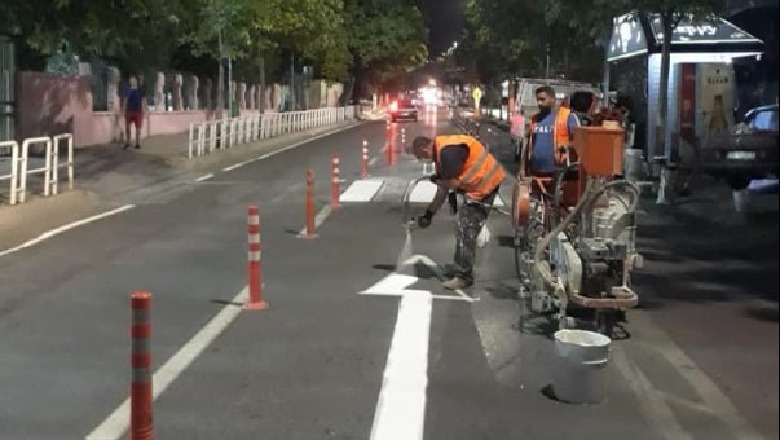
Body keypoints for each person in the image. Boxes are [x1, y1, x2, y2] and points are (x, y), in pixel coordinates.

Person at [410, 134, 506, 290]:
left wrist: (437, 180)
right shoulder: (441, 155)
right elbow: (443, 190)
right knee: (463, 227)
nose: (422, 160)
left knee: (465, 228)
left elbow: (453, 183)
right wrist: (428, 215)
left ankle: (464, 277)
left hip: (486, 184)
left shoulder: (447, 153)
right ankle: (460, 268)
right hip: (479, 186)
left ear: (424, 148)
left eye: (420, 156)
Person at [526, 86, 580, 176]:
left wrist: (567, 146)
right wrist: (524, 169)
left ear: (552, 99)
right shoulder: (535, 119)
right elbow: (528, 145)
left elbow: (581, 141)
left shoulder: (567, 117)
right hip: (536, 171)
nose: (539, 103)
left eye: (543, 99)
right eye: (538, 99)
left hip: (560, 172)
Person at [123, 75, 146, 149]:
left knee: (138, 129)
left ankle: (138, 143)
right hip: (129, 110)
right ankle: (128, 142)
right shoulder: (127, 89)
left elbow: (144, 100)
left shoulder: (140, 89)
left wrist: (145, 109)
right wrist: (124, 109)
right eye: (131, 80)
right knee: (128, 128)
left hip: (138, 111)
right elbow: (125, 100)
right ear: (129, 81)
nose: (132, 81)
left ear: (136, 81)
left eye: (134, 80)